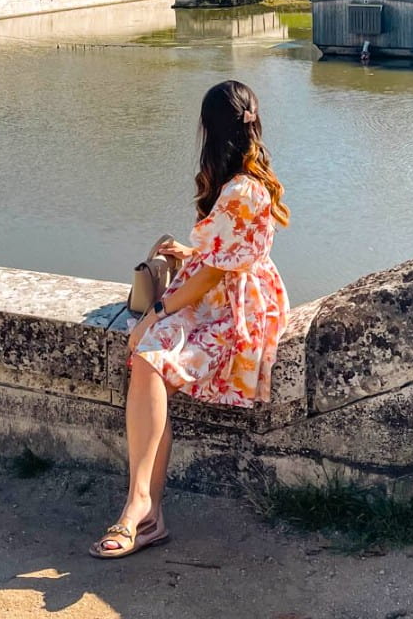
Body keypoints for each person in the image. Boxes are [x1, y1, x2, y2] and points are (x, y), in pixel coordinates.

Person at [89, 79, 290, 559]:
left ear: (209, 130)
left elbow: (215, 274)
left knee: (150, 354)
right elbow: (222, 256)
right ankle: (146, 512)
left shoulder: (241, 189)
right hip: (222, 292)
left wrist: (155, 312)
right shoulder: (243, 180)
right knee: (149, 362)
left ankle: (140, 508)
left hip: (234, 307)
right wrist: (192, 252)